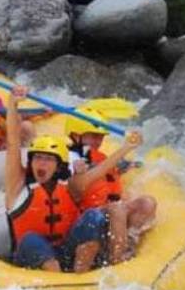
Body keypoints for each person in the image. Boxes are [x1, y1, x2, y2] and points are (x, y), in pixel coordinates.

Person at [3, 85, 142, 273]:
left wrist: (127, 148)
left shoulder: (70, 187)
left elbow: (100, 170)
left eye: (48, 159)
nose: (41, 164)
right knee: (31, 240)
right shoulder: (17, 187)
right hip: (33, 255)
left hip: (66, 251)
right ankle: (58, 277)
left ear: (59, 166)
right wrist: (12, 104)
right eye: (37, 157)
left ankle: (80, 276)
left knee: (93, 217)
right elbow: (13, 142)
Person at [67, 107, 157, 264]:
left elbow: (114, 169)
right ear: (76, 136)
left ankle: (130, 248)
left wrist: (134, 163)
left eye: (101, 137)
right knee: (118, 208)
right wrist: (126, 147)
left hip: (109, 212)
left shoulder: (100, 156)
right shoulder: (71, 158)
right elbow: (87, 178)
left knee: (147, 203)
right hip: (86, 219)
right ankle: (117, 260)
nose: (98, 141)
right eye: (93, 136)